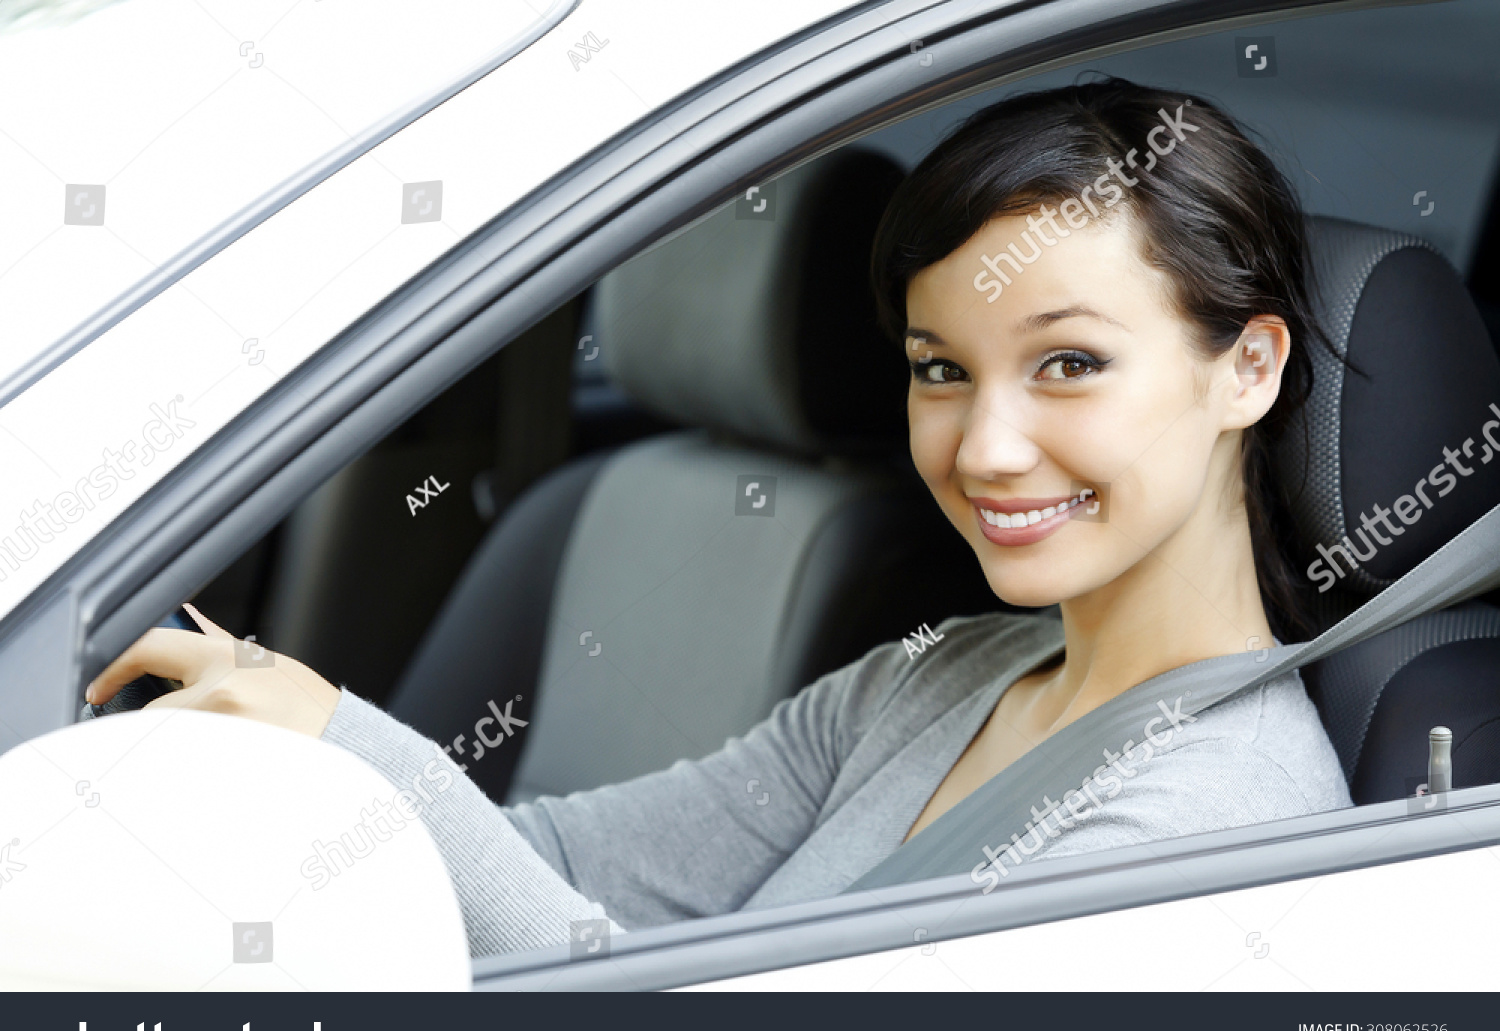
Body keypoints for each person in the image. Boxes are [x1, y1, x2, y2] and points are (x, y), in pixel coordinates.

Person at [85, 77, 1352, 957]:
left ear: (1245, 369)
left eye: (1069, 363)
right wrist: (287, 804)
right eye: (939, 368)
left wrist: (362, 753)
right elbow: (571, 874)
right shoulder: (941, 680)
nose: (986, 446)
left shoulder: (1204, 827)